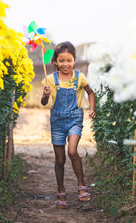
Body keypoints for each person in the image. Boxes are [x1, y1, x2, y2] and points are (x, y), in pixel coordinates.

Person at [40, 41, 96, 209]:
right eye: (62, 61)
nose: (66, 64)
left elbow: (90, 92)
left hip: (74, 119)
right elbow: (43, 103)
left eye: (69, 60)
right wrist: (45, 94)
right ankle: (61, 191)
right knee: (59, 159)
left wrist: (92, 108)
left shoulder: (80, 78)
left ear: (74, 60)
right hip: (57, 121)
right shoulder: (50, 80)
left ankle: (81, 187)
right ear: (55, 62)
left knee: (72, 151)